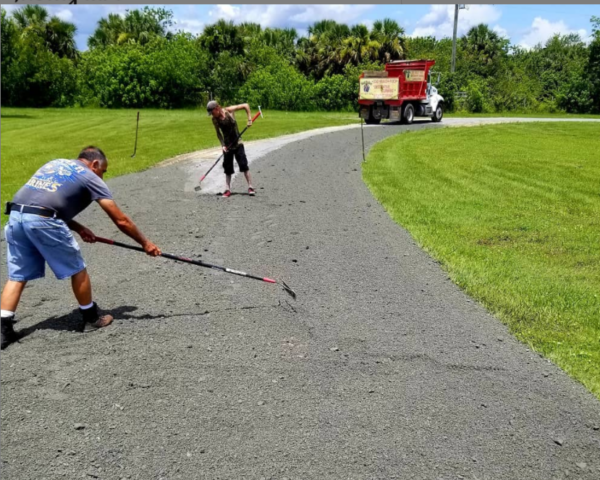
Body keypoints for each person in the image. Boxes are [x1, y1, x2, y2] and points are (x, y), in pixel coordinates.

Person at [1, 146, 161, 349]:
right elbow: (121, 220)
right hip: (43, 220)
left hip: (16, 216)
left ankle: (3, 330)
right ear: (94, 164)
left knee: (18, 275)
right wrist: (145, 243)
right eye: (103, 171)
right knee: (78, 268)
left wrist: (78, 227)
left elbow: (41, 203)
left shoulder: (54, 163)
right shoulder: (90, 176)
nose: (102, 177)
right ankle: (91, 318)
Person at [207, 100, 256, 198]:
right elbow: (218, 134)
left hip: (238, 143)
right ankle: (227, 189)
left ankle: (250, 187)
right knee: (228, 169)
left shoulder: (229, 111)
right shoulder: (215, 120)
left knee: (244, 165)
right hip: (227, 146)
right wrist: (222, 145)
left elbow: (246, 105)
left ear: (217, 108)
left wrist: (249, 118)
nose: (212, 115)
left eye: (212, 112)